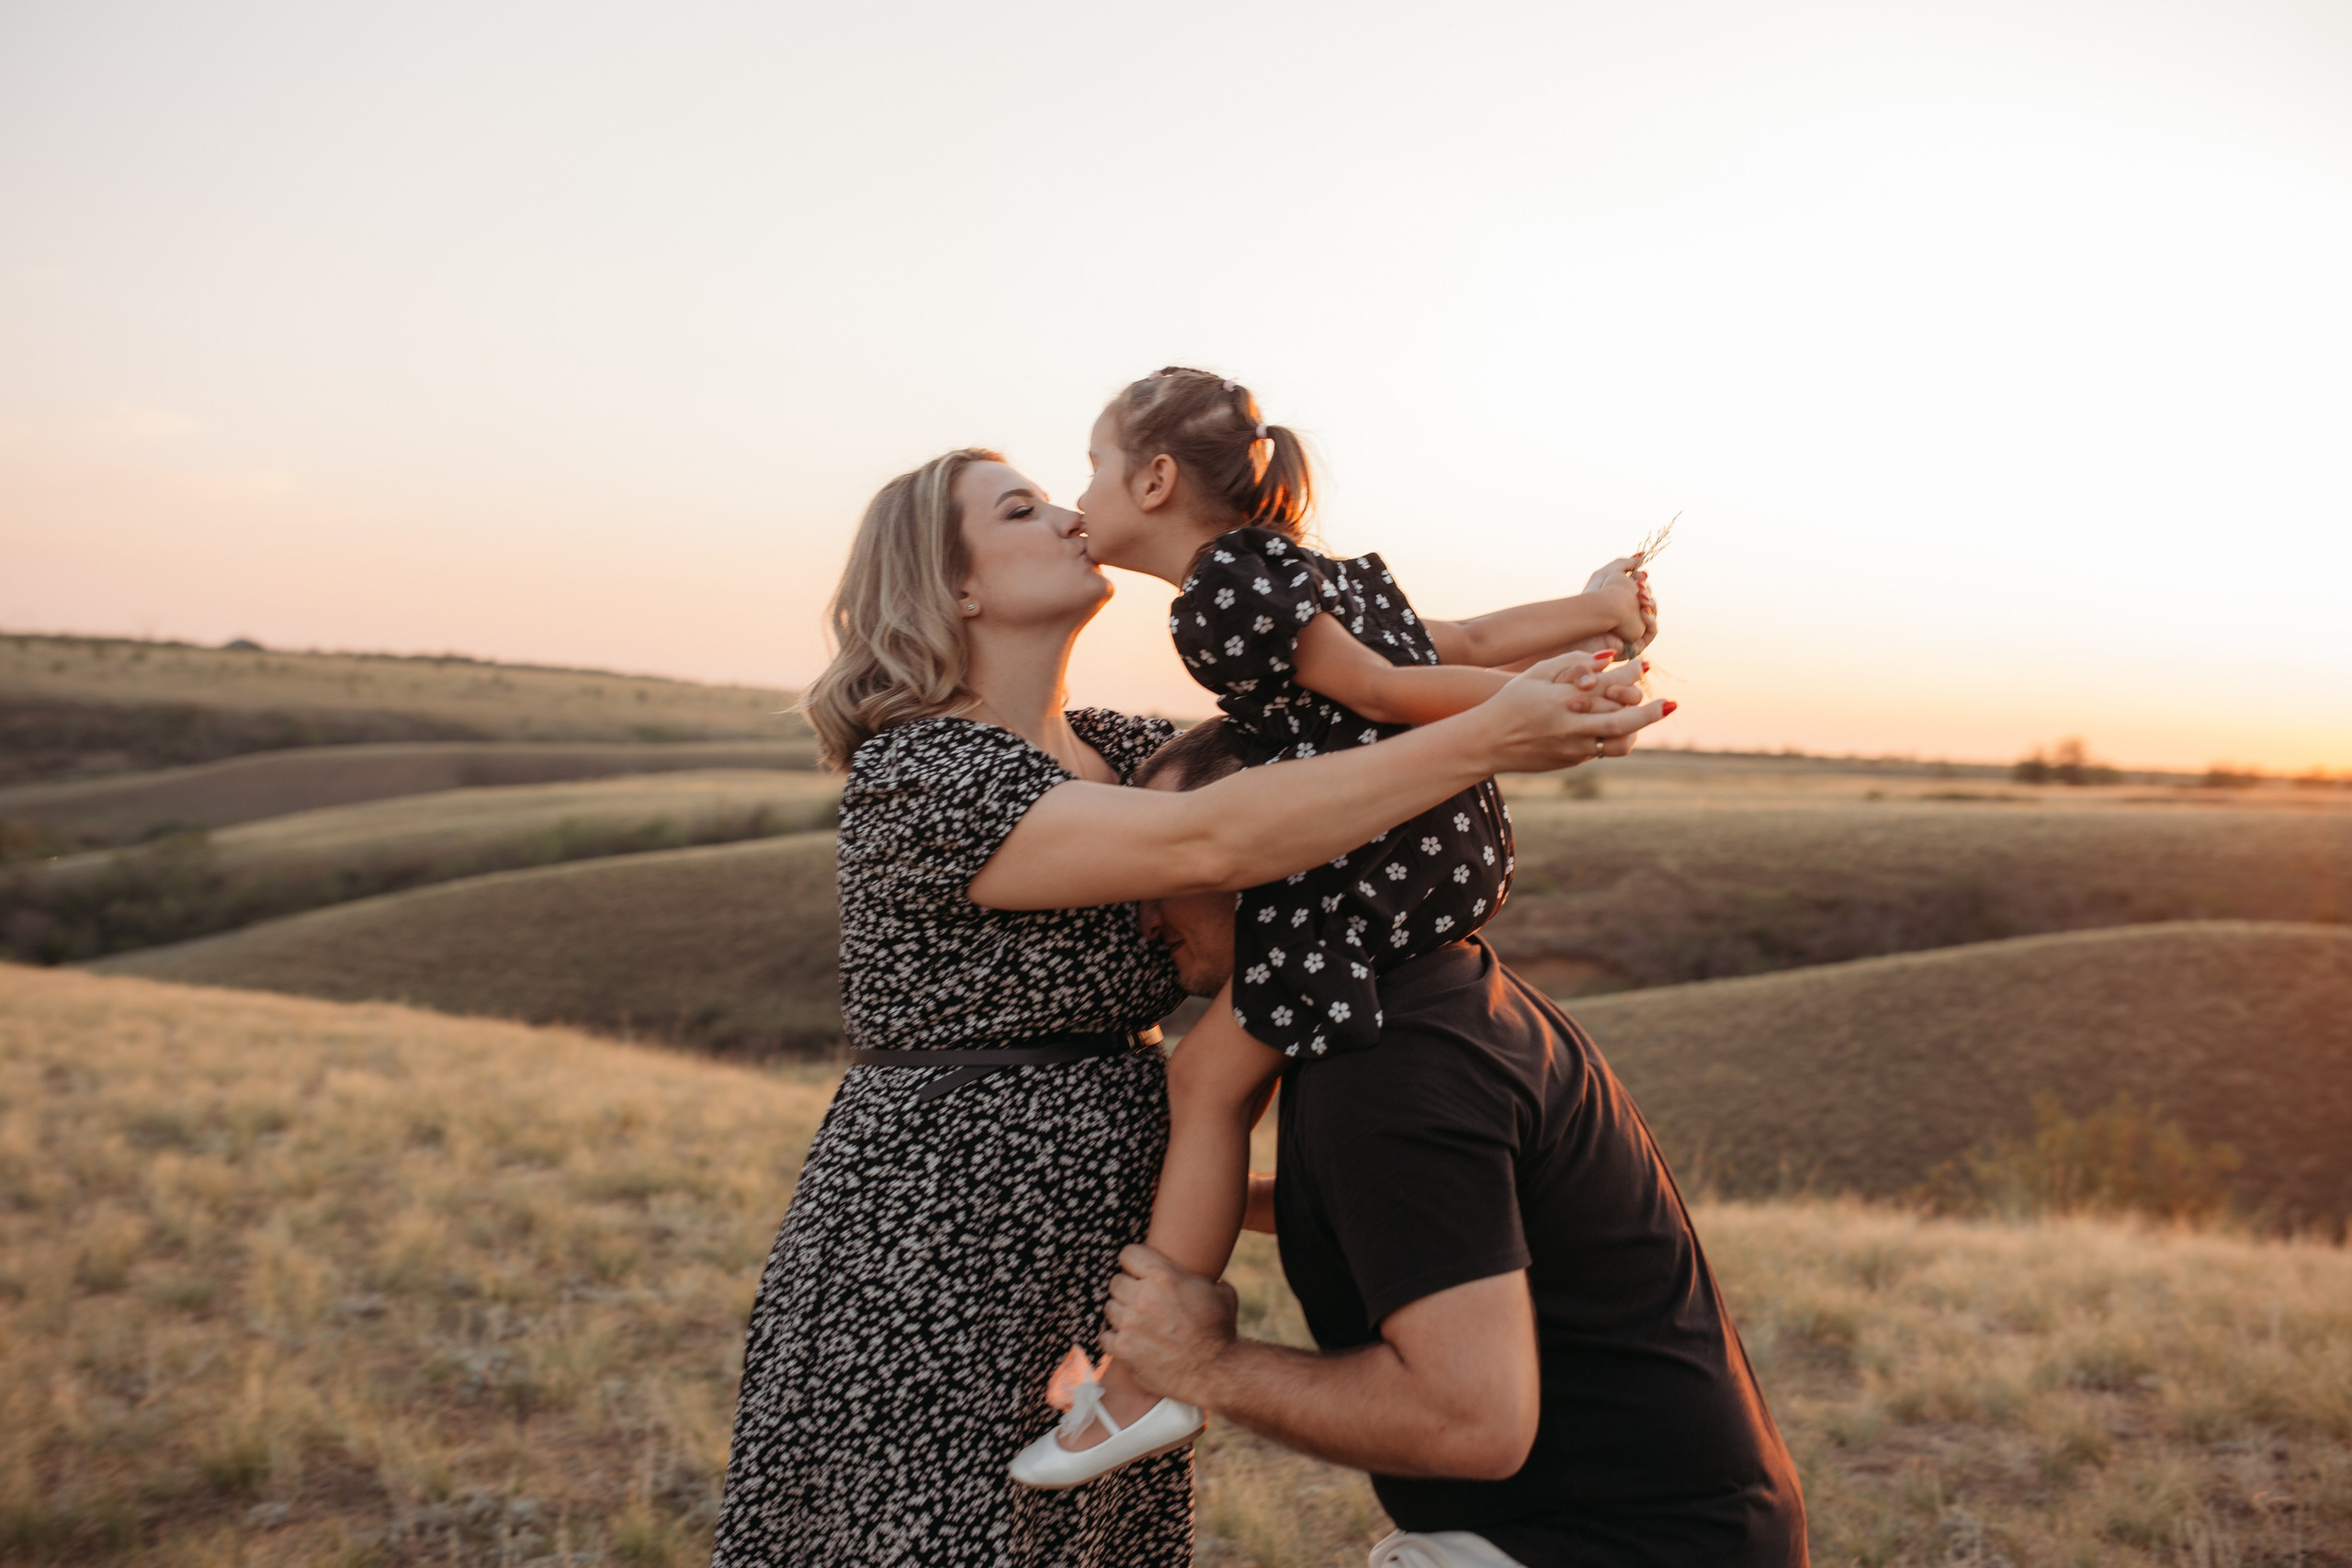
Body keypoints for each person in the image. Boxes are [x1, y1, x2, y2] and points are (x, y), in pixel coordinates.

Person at [709, 446, 1671, 1567]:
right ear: (952, 585)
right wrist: (1488, 736)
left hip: (1119, 1222)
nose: (1070, 515)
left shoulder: (1125, 748)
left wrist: (1572, 652)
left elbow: (1360, 695)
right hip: (940, 1224)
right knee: (924, 1531)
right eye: (1022, 509)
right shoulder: (921, 775)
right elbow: (1214, 837)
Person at [1012, 367, 1666, 1488]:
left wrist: (1513, 718)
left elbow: (1376, 689)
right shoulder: (1299, 567)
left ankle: (1145, 1383)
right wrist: (1592, 612)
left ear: (1157, 478)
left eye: (1091, 467)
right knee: (1240, 1078)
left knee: (1206, 1082)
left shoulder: (1217, 590)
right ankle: (1156, 1360)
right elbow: (1456, 633)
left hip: (1364, 862)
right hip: (1441, 842)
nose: (1079, 497)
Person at [1098, 719, 1807, 1568]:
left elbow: (1469, 1421)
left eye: (1170, 861)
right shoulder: (1436, 992)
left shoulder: (1394, 1071)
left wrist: (1204, 1363)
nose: (1141, 915)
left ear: (1280, 856)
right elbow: (1424, 1218)